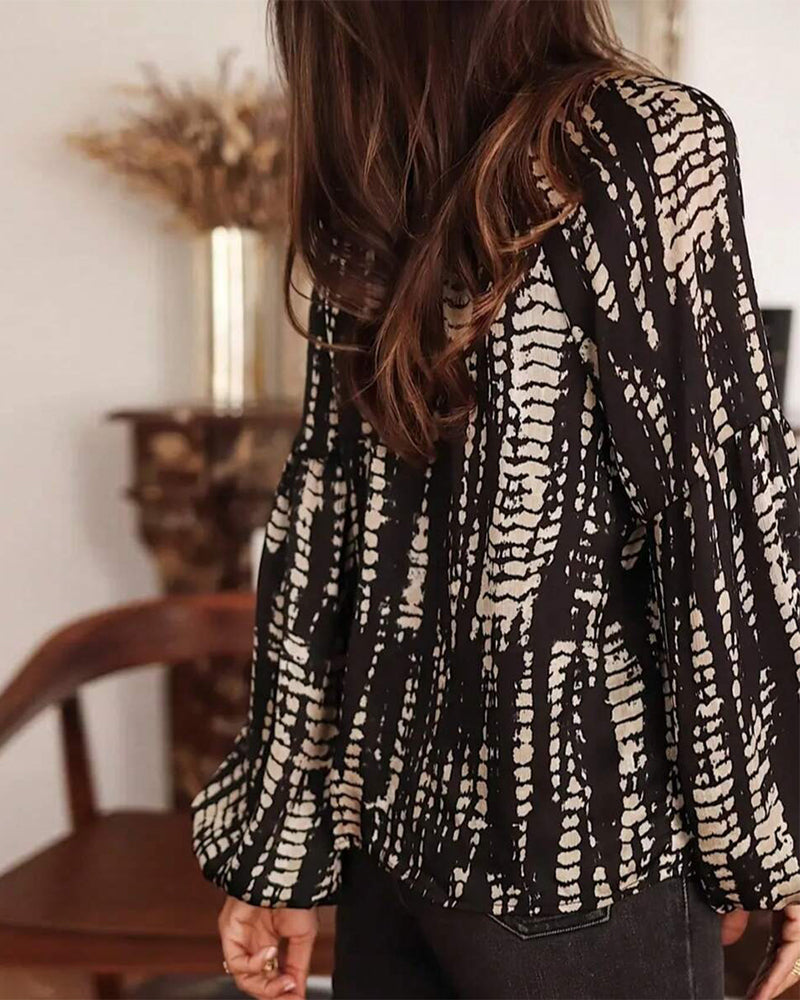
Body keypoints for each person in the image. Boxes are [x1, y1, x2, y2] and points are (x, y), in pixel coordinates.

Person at [190, 2, 800, 998]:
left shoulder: (373, 162)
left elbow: (319, 525)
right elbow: (716, 521)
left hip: (395, 841)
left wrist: (280, 847)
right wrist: (767, 839)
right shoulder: (639, 137)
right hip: (587, 841)